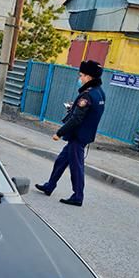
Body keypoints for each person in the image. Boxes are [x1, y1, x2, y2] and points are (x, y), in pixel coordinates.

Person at [35, 60, 106, 207]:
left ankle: (77, 196)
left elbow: (76, 119)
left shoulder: (87, 95)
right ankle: (50, 186)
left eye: (81, 75)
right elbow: (90, 113)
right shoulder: (100, 93)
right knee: (61, 161)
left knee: (76, 167)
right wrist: (74, 108)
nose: (79, 78)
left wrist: (59, 133)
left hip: (77, 136)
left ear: (88, 77)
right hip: (85, 134)